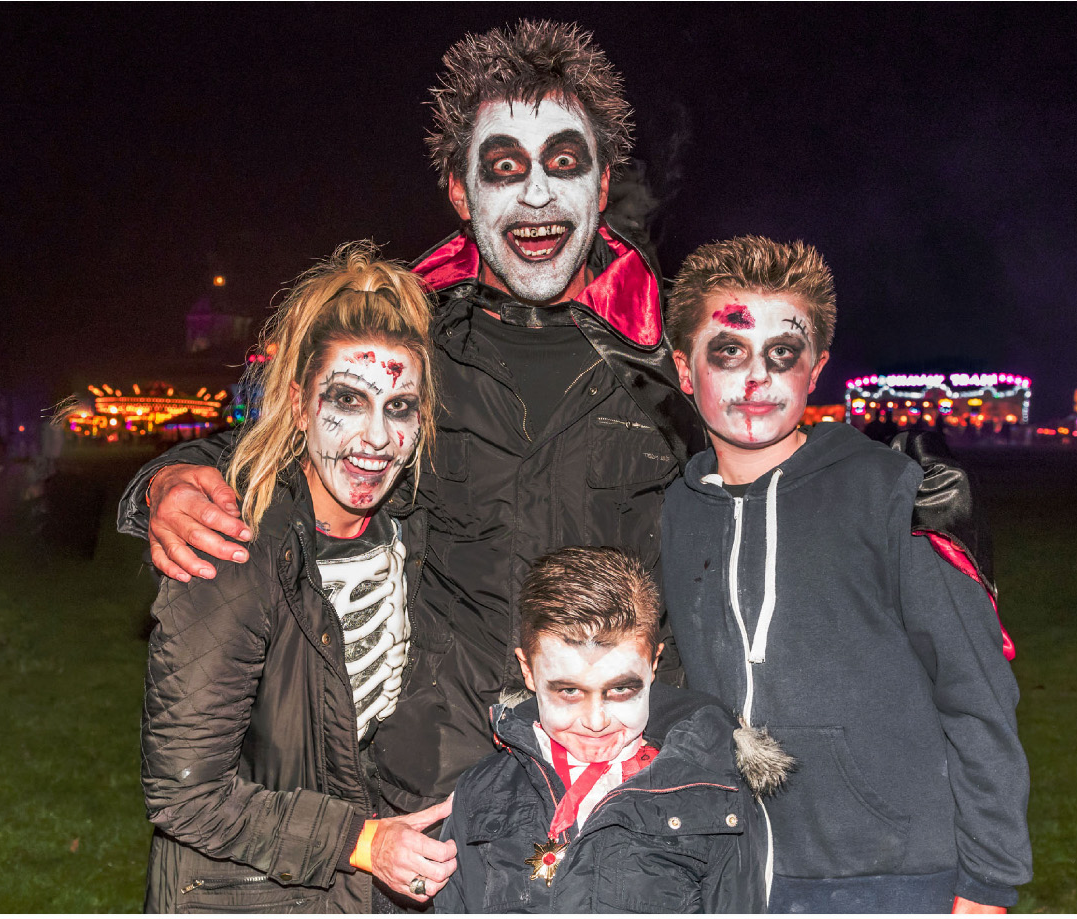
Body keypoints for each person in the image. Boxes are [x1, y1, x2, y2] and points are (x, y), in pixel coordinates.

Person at [121, 19, 692, 846]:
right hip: (436, 800)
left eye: (564, 163)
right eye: (503, 168)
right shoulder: (412, 353)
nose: (535, 195)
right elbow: (289, 442)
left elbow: (766, 496)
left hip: (617, 796)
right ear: (461, 193)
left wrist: (902, 509)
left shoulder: (664, 373)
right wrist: (170, 480)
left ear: (602, 186)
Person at [656, 237, 1029, 913]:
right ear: (684, 368)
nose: (756, 378)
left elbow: (976, 690)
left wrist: (987, 881)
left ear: (816, 368)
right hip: (737, 874)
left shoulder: (895, 495)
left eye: (783, 353)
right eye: (728, 351)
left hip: (894, 872)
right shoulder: (677, 511)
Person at [142, 243, 461, 911]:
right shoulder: (231, 546)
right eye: (347, 399)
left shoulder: (414, 531)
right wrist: (362, 841)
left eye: (400, 407)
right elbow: (184, 792)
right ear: (296, 401)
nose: (376, 437)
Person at [434, 547, 763, 913]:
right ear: (528, 671)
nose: (596, 721)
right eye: (569, 691)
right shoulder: (482, 790)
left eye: (621, 689)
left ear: (653, 664)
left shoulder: (713, 791)